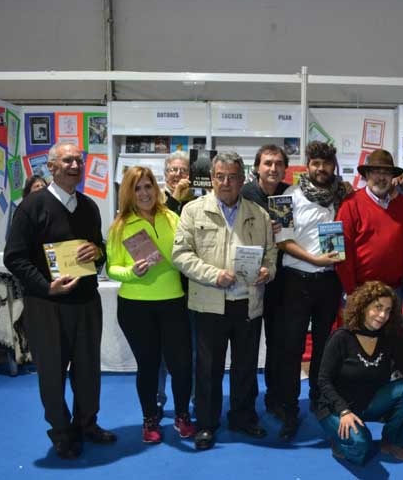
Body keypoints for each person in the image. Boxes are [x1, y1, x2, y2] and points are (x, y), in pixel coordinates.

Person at [4, 142, 116, 459]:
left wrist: (98, 253)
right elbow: (14, 258)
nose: (75, 165)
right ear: (51, 167)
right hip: (47, 305)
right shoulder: (31, 207)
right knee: (52, 373)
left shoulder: (90, 207)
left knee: (88, 370)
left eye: (79, 160)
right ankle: (62, 432)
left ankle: (87, 424)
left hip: (85, 302)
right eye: (67, 160)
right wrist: (45, 286)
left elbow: (99, 252)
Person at [172, 151, 277, 451]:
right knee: (207, 368)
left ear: (243, 180)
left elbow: (271, 253)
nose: (226, 182)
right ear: (212, 178)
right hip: (209, 301)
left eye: (232, 177)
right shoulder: (193, 211)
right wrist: (213, 275)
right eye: (220, 176)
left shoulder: (260, 214)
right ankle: (206, 424)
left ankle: (243, 417)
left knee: (245, 365)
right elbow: (180, 254)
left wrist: (268, 271)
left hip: (248, 302)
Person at [106, 166, 195, 444]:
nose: (144, 193)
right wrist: (132, 272)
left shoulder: (172, 217)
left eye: (148, 186)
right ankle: (149, 418)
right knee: (148, 365)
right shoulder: (120, 225)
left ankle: (182, 415)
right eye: (137, 188)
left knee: (181, 365)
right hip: (136, 306)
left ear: (156, 189)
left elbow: (187, 252)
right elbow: (112, 268)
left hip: (173, 302)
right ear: (128, 193)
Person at [274, 141, 348, 440]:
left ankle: (320, 400)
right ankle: (289, 409)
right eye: (315, 163)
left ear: (333, 166)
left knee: (324, 347)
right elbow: (282, 242)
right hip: (295, 280)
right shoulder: (284, 198)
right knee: (291, 349)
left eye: (326, 163)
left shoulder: (343, 196)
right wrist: (314, 258)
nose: (320, 169)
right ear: (307, 164)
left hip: (329, 283)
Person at [317, 281, 403, 465]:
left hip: (369, 401)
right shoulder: (341, 337)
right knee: (361, 449)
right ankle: (339, 438)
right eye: (378, 307)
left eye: (388, 310)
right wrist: (344, 411)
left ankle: (390, 440)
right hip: (336, 408)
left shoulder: (389, 337)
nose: (383, 315)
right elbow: (323, 380)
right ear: (363, 307)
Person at [240, 144, 290, 421]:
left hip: (282, 280)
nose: (273, 168)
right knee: (246, 346)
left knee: (278, 345)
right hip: (248, 280)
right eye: (268, 163)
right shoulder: (244, 193)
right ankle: (245, 402)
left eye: (278, 163)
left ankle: (275, 399)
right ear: (257, 167)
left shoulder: (290, 194)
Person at [335, 149, 403, 298]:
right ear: (367, 175)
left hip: (395, 291)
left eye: (386, 173)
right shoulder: (350, 204)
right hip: (360, 291)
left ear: (393, 177)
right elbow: (339, 251)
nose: (381, 177)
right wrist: (351, 291)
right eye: (376, 172)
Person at [156, 150, 195, 415]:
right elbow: (163, 235)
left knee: (191, 352)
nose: (178, 175)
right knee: (159, 354)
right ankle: (158, 400)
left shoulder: (199, 202)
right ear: (165, 173)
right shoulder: (154, 201)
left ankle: (192, 400)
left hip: (192, 289)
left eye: (183, 170)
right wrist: (174, 200)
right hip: (163, 287)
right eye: (173, 170)